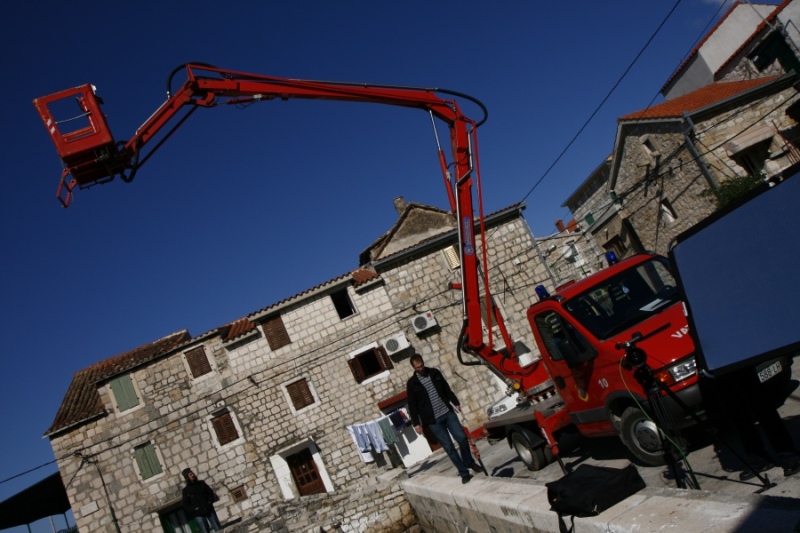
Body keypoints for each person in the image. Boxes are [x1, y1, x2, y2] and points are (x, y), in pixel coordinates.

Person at [700, 366, 800, 481]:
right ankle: (758, 460)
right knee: (736, 413)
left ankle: (788, 455)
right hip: (715, 368)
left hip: (735, 359)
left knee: (760, 404)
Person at [406, 353, 482, 483]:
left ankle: (469, 462)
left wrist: (455, 402)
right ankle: (464, 472)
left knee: (462, 438)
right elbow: (412, 405)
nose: (421, 369)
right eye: (417, 367)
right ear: (413, 368)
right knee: (449, 447)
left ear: (424, 362)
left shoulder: (434, 373)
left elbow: (446, 389)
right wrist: (416, 424)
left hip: (448, 412)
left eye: (422, 365)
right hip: (433, 421)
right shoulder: (412, 384)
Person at [182, 467, 222, 532]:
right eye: (190, 475)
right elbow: (186, 504)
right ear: (187, 477)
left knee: (218, 529)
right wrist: (194, 509)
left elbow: (210, 492)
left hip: (209, 509)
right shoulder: (186, 490)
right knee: (205, 531)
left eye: (192, 474)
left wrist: (209, 502)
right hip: (198, 514)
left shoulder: (201, 484)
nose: (192, 475)